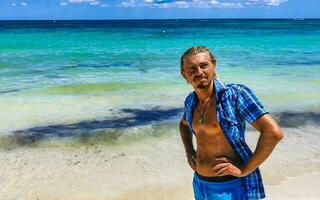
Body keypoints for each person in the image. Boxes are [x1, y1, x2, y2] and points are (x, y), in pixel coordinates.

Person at [179, 46, 284, 200]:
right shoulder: (190, 101)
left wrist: (245, 170)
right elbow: (183, 125)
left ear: (213, 65)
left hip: (228, 187)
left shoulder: (235, 95)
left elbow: (273, 132)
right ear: (184, 74)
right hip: (200, 183)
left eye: (204, 65)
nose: (199, 72)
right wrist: (189, 151)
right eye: (192, 68)